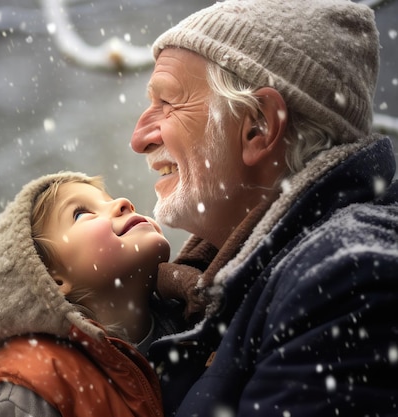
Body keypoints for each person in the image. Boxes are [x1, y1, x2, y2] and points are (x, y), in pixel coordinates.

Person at [130, 0, 398, 416]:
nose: (139, 137)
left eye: (167, 102)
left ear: (258, 125)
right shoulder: (236, 284)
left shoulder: (347, 278)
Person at [0, 171, 174, 417]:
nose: (123, 202)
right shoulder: (29, 391)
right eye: (82, 213)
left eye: (108, 199)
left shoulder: (200, 323)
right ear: (50, 279)